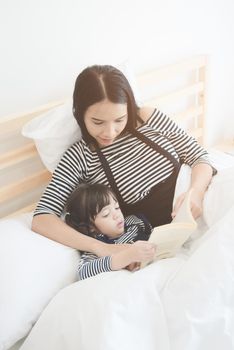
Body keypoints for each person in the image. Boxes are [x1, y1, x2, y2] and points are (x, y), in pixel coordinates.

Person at [32, 64, 216, 260]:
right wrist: (100, 247)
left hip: (206, 196)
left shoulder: (147, 117)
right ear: (80, 114)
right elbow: (42, 218)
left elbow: (200, 156)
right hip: (173, 234)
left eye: (119, 119)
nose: (110, 132)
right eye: (98, 122)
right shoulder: (80, 156)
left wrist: (195, 192)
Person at [65, 183, 154, 280]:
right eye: (106, 214)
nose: (117, 215)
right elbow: (84, 272)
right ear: (91, 227)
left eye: (117, 207)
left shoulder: (136, 221)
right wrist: (127, 256)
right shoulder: (98, 246)